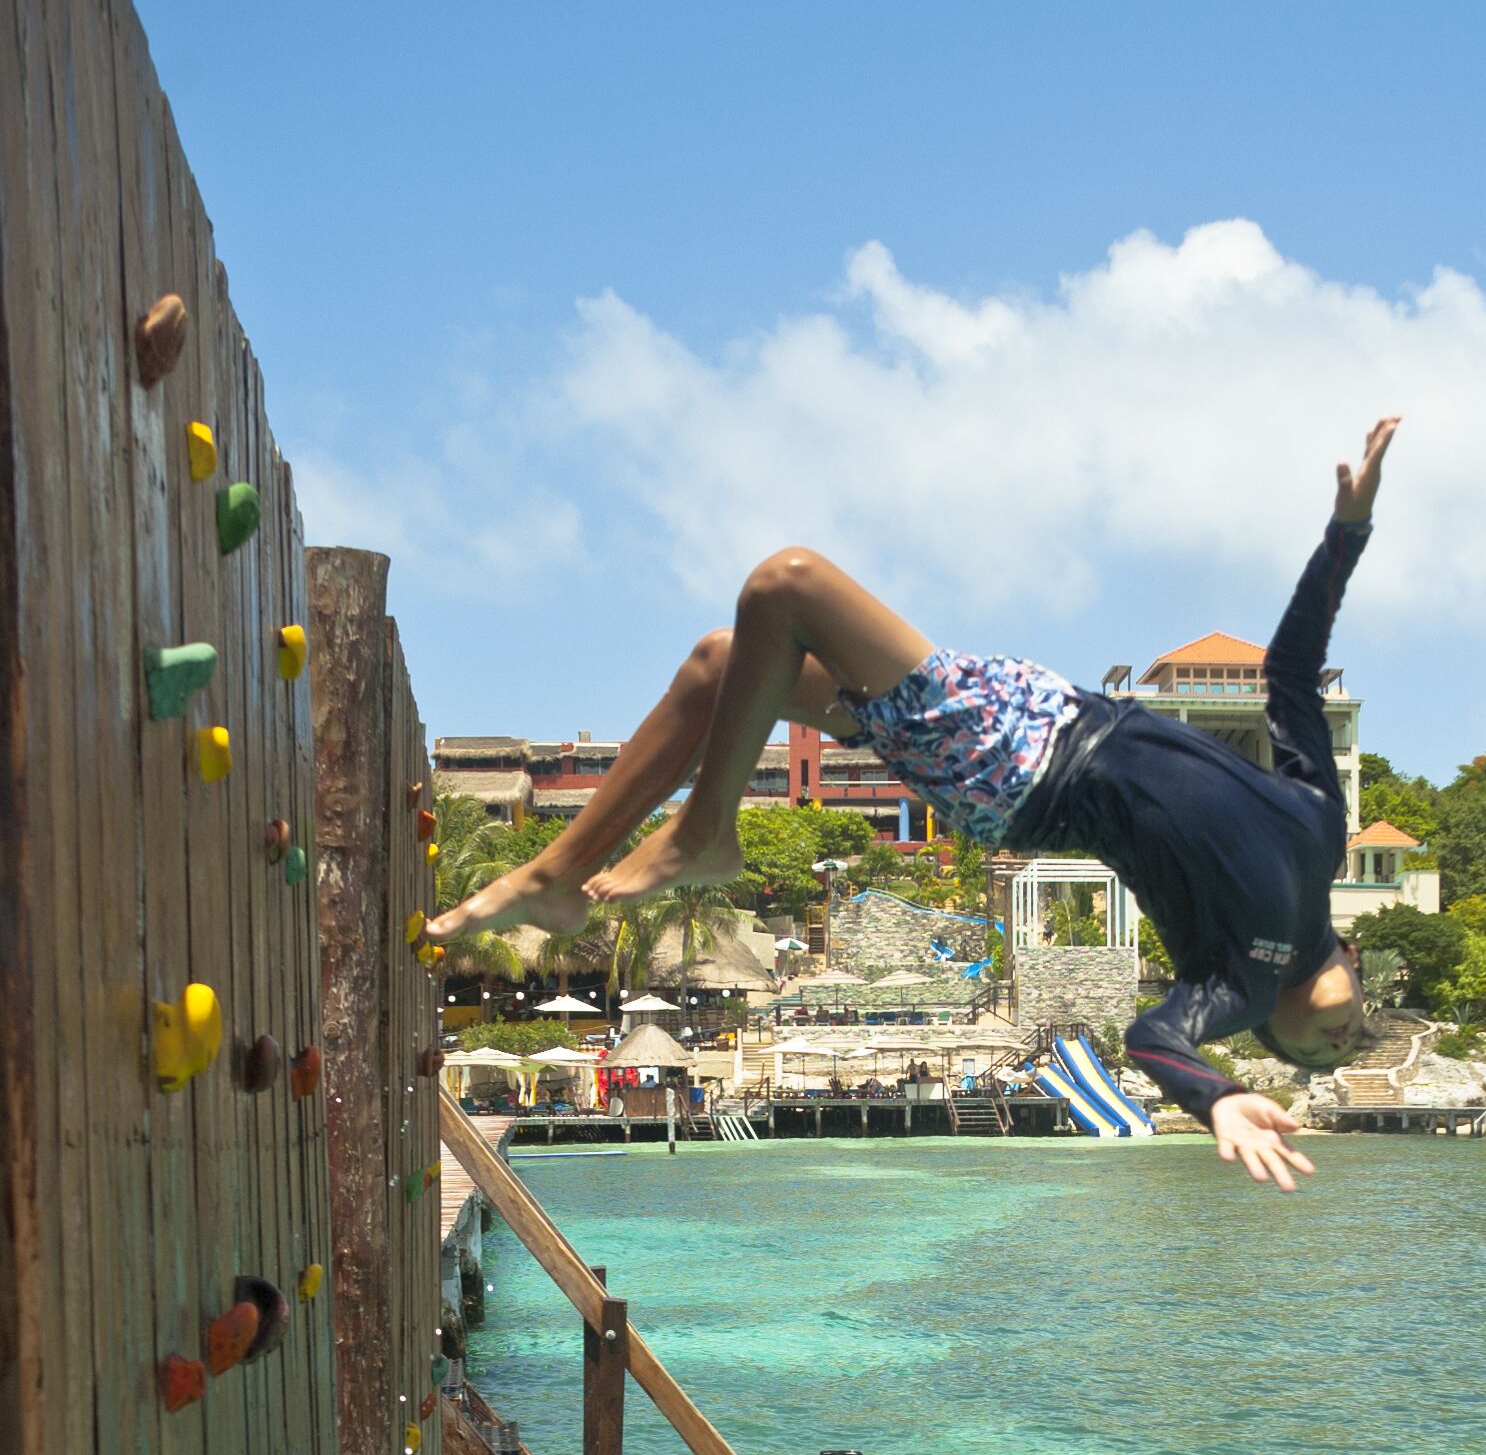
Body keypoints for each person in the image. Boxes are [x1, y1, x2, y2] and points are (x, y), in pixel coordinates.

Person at [432, 419, 1402, 1192]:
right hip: (1045, 703)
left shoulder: (1233, 978)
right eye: (1348, 1035)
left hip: (1023, 771)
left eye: (1311, 1051)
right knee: (719, 668)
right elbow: (1289, 672)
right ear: (1351, 968)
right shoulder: (1321, 827)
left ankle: (706, 830)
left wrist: (1218, 1097)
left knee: (786, 584)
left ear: (1265, 1020)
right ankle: (556, 874)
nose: (1334, 1040)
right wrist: (1344, 534)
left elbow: (1154, 1036)